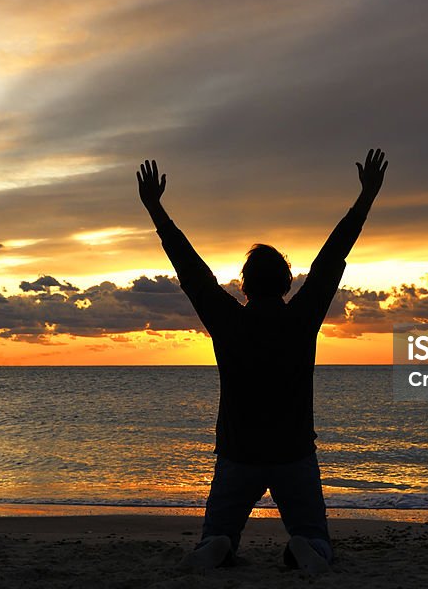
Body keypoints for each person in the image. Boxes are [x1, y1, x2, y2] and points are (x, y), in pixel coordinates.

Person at [136, 149, 388, 574]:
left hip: (239, 455)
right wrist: (365, 199)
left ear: (244, 285)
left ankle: (220, 545)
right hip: (292, 454)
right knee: (315, 538)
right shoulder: (300, 318)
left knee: (217, 536)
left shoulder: (228, 320)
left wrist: (156, 209)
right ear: (287, 284)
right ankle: (302, 548)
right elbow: (330, 262)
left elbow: (191, 271)